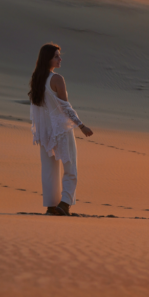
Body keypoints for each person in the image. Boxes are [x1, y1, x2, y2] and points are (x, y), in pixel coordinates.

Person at [28, 43, 94, 216]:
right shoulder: (57, 79)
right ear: (47, 59)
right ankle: (64, 204)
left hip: (45, 132)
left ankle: (51, 206)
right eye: (56, 56)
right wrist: (81, 125)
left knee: (49, 169)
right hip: (60, 130)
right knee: (70, 166)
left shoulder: (37, 79)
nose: (60, 59)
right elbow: (66, 107)